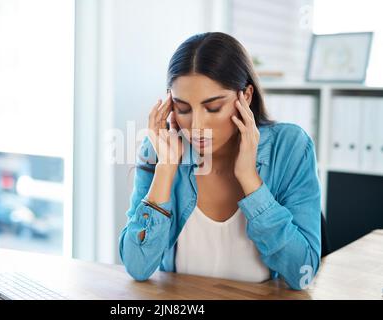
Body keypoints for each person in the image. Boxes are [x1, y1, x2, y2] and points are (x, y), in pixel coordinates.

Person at [119, 32, 321, 290]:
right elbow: (137, 266)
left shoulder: (290, 147)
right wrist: (166, 170)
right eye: (183, 108)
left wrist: (250, 180)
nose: (197, 125)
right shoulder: (160, 149)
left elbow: (301, 273)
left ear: (245, 96)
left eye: (213, 107)